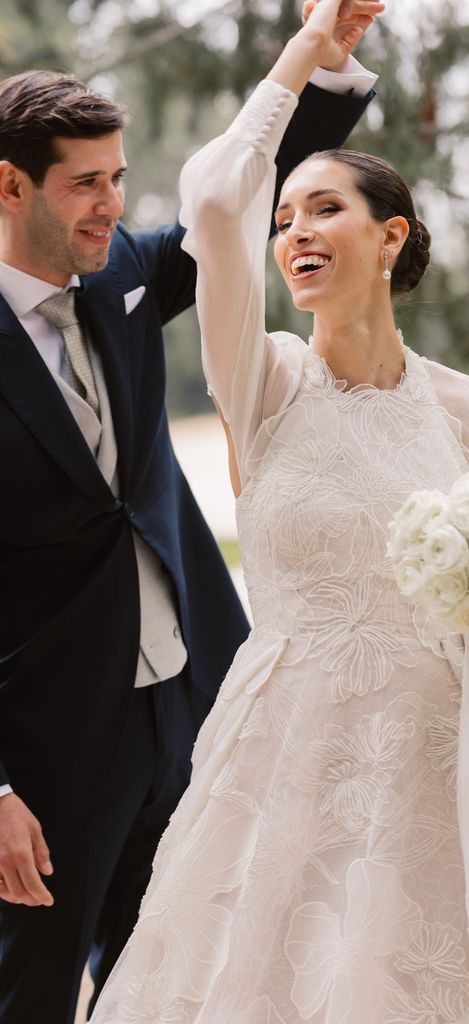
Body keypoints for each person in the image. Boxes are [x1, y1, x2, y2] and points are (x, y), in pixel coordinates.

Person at [91, 0, 469, 1020]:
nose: (294, 233)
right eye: (288, 219)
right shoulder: (262, 380)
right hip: (288, 759)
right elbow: (218, 205)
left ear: (389, 234)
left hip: (448, 762)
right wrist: (301, 60)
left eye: (323, 209)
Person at [0, 9, 381, 1021]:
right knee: (32, 990)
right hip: (45, 749)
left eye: (117, 179)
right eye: (86, 184)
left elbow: (234, 194)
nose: (111, 205)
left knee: (187, 976)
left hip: (192, 704)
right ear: (9, 186)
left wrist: (320, 68)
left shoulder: (120, 272)